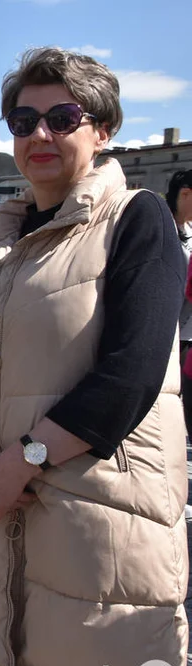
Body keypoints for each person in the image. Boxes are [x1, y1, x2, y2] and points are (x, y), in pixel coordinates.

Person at [0, 48, 187, 666]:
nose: (39, 135)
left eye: (62, 116)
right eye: (23, 120)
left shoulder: (136, 218)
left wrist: (22, 461)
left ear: (101, 128)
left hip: (100, 517)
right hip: (3, 513)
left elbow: (132, 371)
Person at [165, 169, 192, 516]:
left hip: (185, 336)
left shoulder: (186, 233)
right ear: (185, 193)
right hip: (169, 337)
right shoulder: (159, 228)